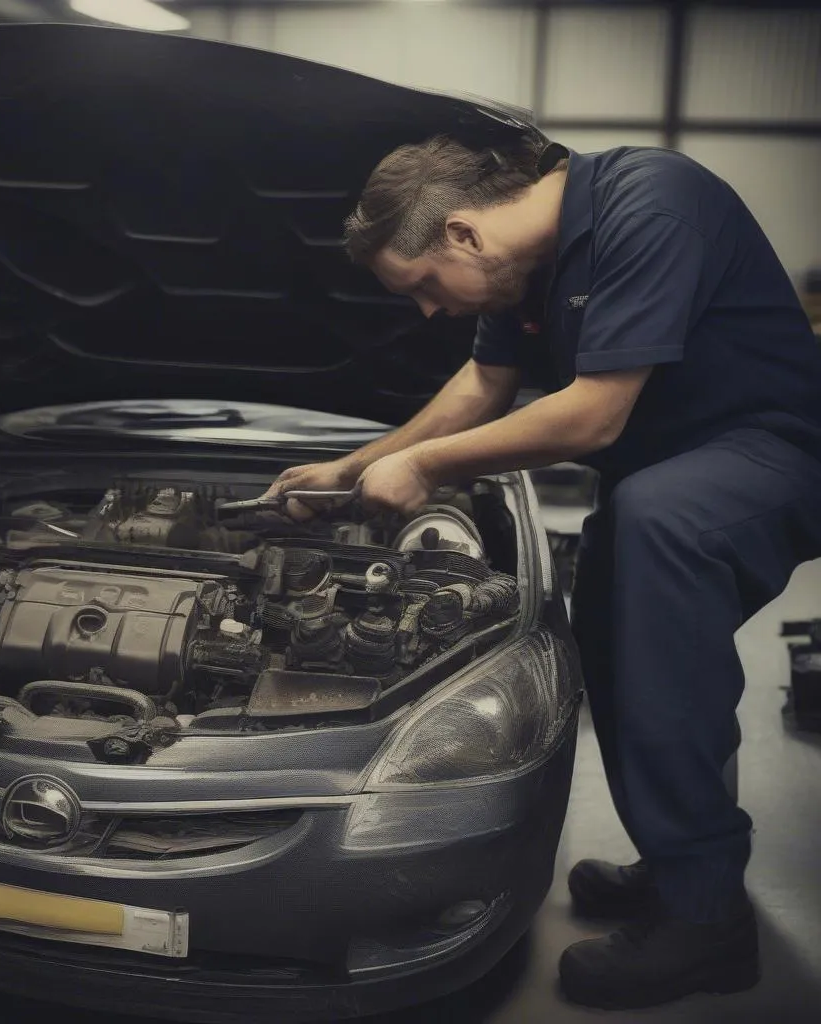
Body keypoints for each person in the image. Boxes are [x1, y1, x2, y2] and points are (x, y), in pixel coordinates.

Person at [263, 132, 821, 1009]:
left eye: (421, 288)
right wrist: (353, 464)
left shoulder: (651, 203)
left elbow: (594, 415)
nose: (425, 312)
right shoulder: (519, 266)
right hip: (671, 472)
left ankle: (708, 925)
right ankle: (682, 864)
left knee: (652, 535)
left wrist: (430, 469)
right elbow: (480, 387)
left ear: (461, 235)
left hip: (772, 451)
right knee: (615, 632)